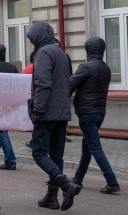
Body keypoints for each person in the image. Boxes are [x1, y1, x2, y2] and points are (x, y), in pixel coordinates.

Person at [25, 21, 81, 211]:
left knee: (39, 152)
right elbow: (68, 82)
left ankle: (66, 186)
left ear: (39, 37)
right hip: (62, 112)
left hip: (47, 112)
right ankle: (51, 198)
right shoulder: (62, 54)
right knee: (56, 156)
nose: (32, 43)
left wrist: (38, 111)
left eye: (33, 39)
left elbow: (43, 83)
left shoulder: (43, 53)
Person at [69, 37, 120, 194]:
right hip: (100, 113)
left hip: (87, 113)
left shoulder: (86, 67)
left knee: (95, 147)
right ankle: (78, 178)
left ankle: (112, 182)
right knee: (87, 147)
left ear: (88, 50)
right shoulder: (106, 68)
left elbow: (69, 85)